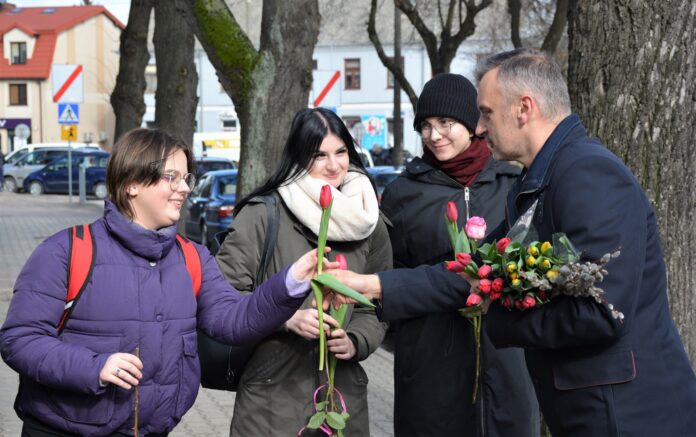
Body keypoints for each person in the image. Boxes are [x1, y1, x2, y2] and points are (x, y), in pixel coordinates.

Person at [329, 48, 696, 436]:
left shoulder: (589, 174)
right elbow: (474, 271)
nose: (481, 128)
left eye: (486, 113)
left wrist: (497, 315)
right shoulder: (537, 183)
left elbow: (600, 313)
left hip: (627, 415)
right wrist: (370, 285)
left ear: (524, 108)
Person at [0, 128, 328, 436]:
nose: (184, 188)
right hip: (64, 429)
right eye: (171, 177)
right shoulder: (67, 250)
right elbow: (20, 339)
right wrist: (95, 368)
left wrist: (290, 282)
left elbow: (234, 322)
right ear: (132, 183)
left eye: (186, 178)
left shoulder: (192, 257)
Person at [216, 107, 392, 436]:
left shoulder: (369, 221)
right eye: (319, 155)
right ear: (298, 157)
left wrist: (356, 340)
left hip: (343, 396)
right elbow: (224, 298)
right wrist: (285, 318)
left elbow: (380, 302)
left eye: (341, 152)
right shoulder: (262, 214)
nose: (334, 165)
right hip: (272, 398)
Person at [379, 73, 537, 436]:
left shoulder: (514, 185)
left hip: (506, 364)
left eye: (446, 123)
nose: (435, 136)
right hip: (430, 368)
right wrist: (416, 341)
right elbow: (390, 275)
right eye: (426, 126)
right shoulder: (403, 194)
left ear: (474, 124)